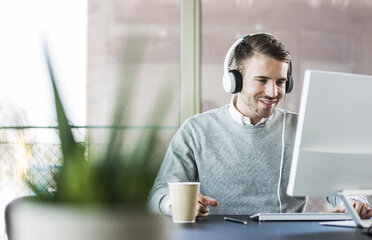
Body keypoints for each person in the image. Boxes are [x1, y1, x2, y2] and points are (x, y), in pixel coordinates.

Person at [147, 33, 372, 219]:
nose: (273, 93)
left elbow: (337, 186)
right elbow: (158, 194)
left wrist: (355, 200)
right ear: (235, 80)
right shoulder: (196, 130)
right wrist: (174, 203)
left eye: (281, 82)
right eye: (262, 80)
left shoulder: (301, 128)